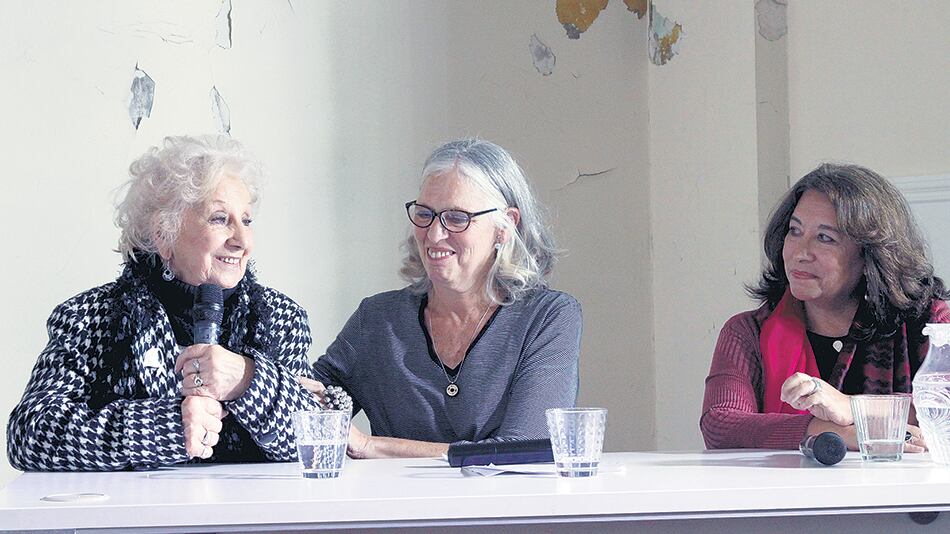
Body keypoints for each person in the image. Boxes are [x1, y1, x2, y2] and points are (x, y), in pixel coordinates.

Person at [7, 135, 322, 471]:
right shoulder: (90, 317)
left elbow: (318, 438)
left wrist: (248, 379)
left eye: (246, 220)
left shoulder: (280, 317)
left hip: (252, 520)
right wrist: (163, 427)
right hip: (135, 519)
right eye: (219, 219)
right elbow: (30, 435)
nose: (242, 241)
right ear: (163, 232)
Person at [300, 138, 581, 459]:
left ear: (505, 226)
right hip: (395, 509)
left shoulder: (547, 317)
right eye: (425, 214)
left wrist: (370, 446)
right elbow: (305, 411)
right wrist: (245, 373)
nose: (434, 235)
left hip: (502, 509)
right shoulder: (377, 319)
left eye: (457, 218)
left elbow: (527, 452)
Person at [701, 163, 950, 451]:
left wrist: (853, 408)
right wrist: (835, 433)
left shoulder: (932, 323)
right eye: (794, 231)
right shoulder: (748, 331)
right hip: (787, 496)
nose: (800, 252)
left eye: (825, 238)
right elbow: (721, 426)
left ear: (871, 255)